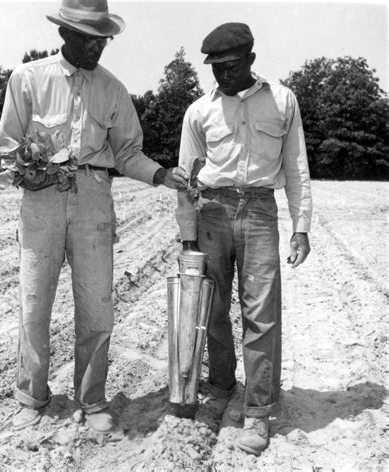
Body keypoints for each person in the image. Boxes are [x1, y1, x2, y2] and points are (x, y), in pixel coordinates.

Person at [0, 0, 188, 433]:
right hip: (40, 203)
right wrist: (24, 172)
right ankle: (31, 396)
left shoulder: (113, 90)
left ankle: (92, 399)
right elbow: (4, 145)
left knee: (97, 308)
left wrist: (161, 175)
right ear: (64, 34)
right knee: (34, 305)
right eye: (88, 39)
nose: (97, 48)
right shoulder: (27, 80)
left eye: (103, 40)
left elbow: (128, 152)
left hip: (94, 197)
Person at [176, 22, 312, 455]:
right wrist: (186, 237)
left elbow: (296, 168)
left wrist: (301, 227)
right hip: (211, 211)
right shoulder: (199, 111)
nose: (224, 75)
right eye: (216, 68)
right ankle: (219, 388)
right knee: (212, 308)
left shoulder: (282, 100)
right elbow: (186, 179)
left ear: (252, 60)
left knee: (261, 313)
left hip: (259, 211)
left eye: (232, 66)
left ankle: (257, 412)